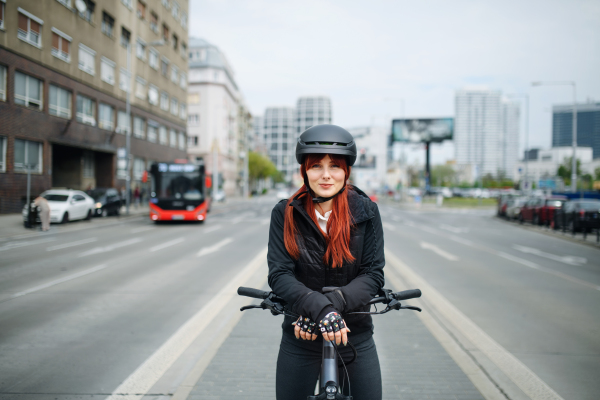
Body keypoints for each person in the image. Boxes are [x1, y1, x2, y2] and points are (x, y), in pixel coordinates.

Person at [268, 124, 385, 400]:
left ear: (346, 171)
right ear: (304, 171)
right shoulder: (284, 213)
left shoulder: (367, 212)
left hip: (353, 335)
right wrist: (319, 311)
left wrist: (325, 310)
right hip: (301, 337)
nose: (325, 175)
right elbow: (280, 275)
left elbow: (372, 275)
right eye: (316, 166)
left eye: (334, 166)